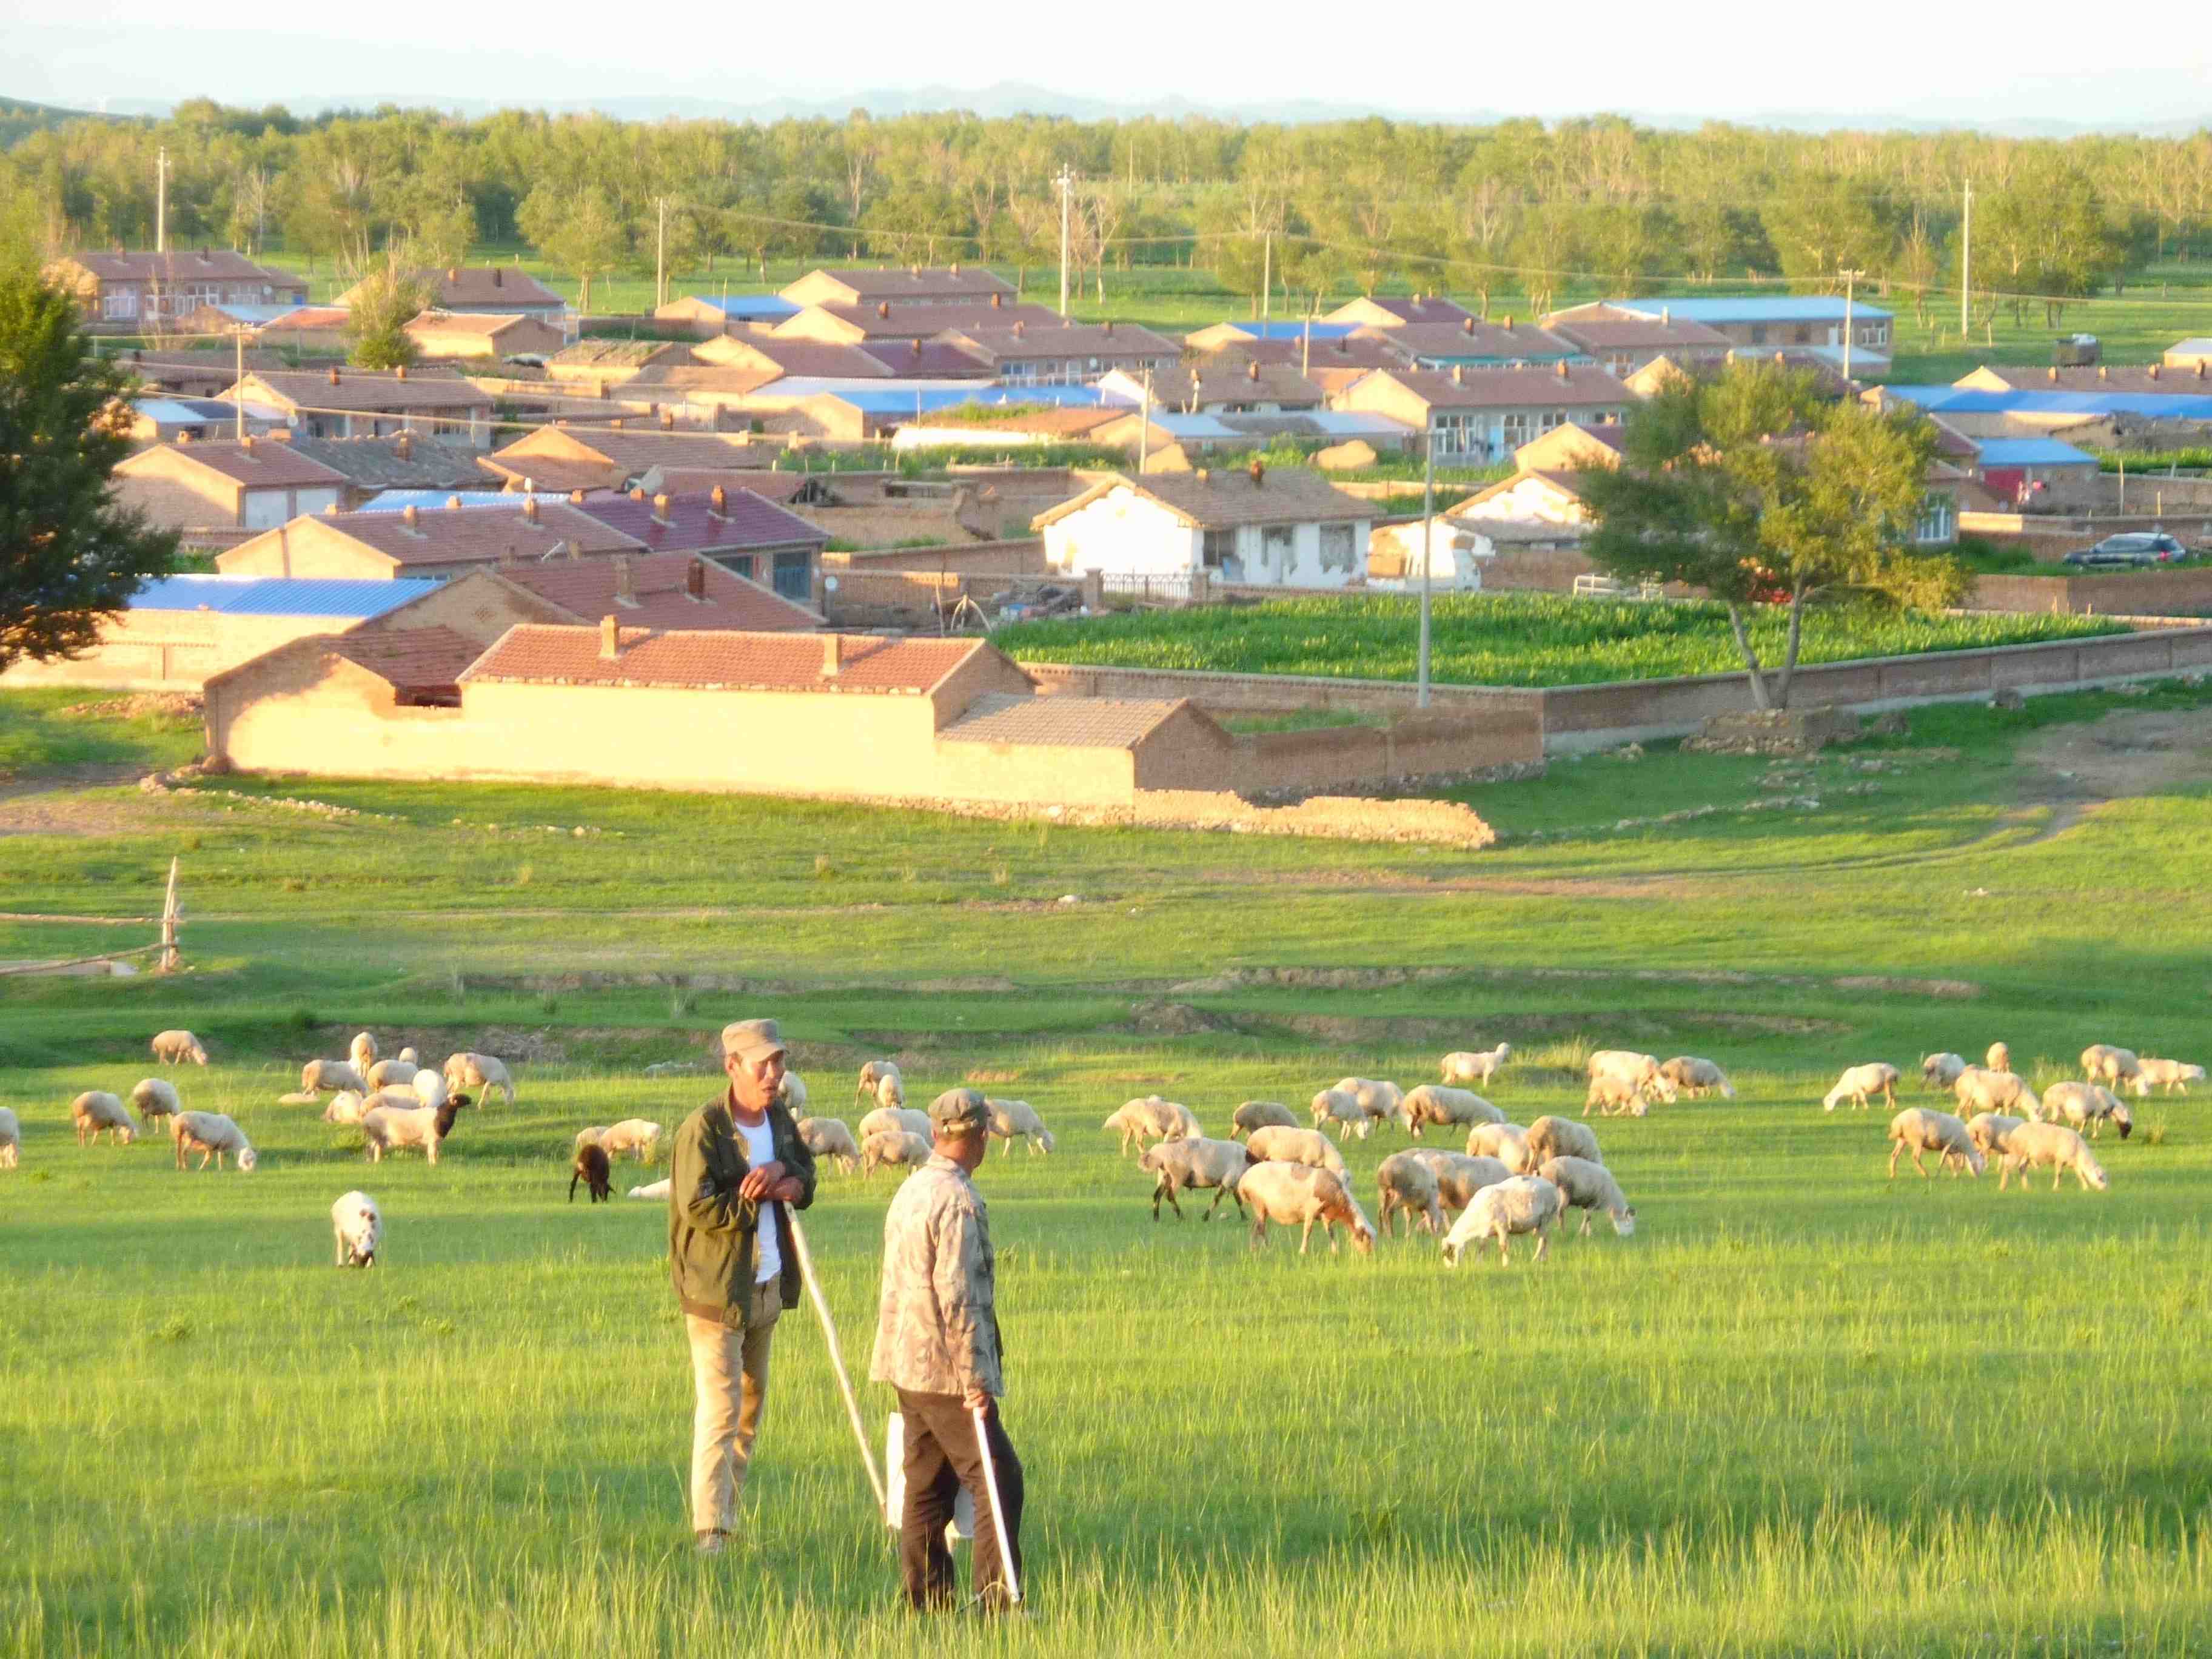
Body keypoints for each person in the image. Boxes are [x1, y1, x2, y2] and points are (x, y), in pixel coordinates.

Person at [870, 1087, 1025, 1611]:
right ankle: (998, 1601)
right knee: (997, 1478)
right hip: (944, 1368)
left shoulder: (912, 1188)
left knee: (926, 1483)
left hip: (904, 1360)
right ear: (981, 1137)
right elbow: (960, 1295)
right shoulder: (959, 1200)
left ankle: (926, 1600)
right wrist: (975, 1378)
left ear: (936, 1134)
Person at [668, 1017, 817, 1555]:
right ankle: (710, 1532)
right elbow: (700, 1205)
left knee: (750, 1410)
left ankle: (727, 1519)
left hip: (767, 1285)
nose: (774, 1074)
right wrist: (760, 1195)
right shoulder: (704, 1129)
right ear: (732, 1066)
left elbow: (806, 1178)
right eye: (763, 1064)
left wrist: (786, 1177)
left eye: (779, 1062)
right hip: (717, 1291)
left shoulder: (779, 1120)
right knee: (721, 1410)